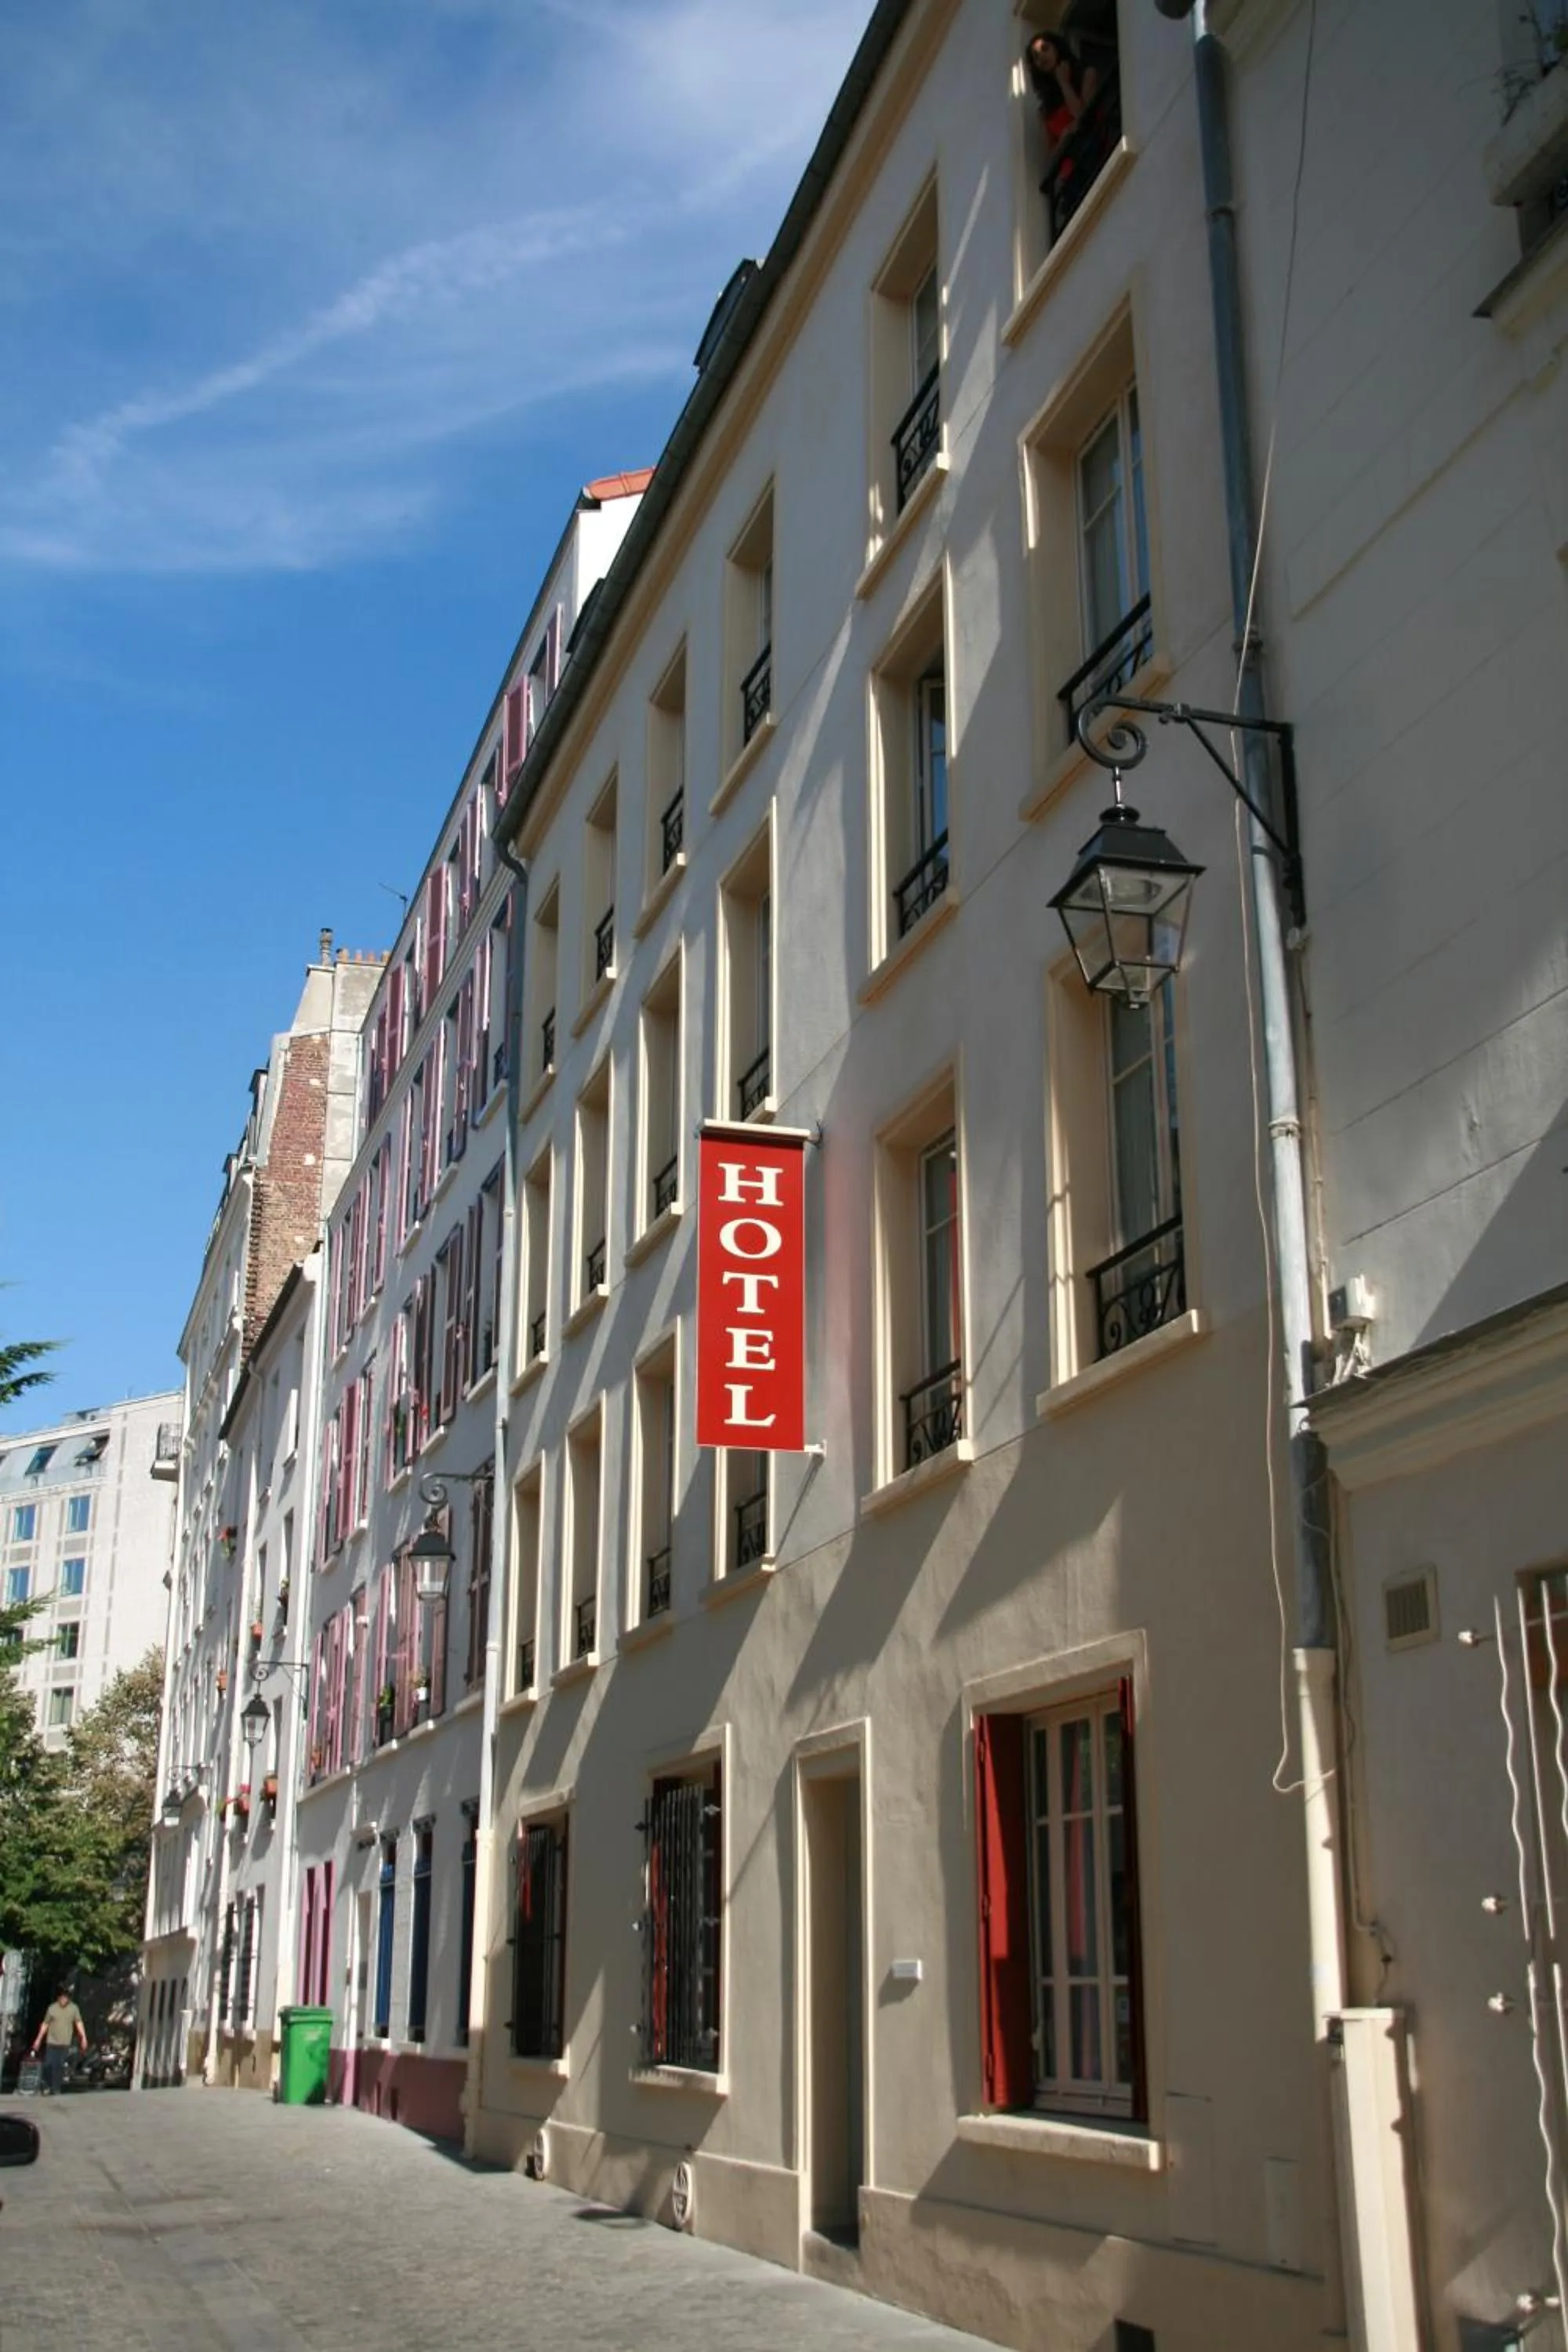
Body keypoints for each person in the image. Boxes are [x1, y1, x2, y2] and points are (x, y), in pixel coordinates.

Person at [31, 1987, 87, 2095]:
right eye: (62, 1998)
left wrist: (83, 2037)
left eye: (66, 1998)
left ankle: (55, 2088)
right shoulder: (52, 2008)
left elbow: (79, 2023)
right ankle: (46, 2084)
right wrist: (38, 2039)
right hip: (52, 2041)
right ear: (58, 1998)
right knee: (48, 2064)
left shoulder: (74, 2009)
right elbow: (45, 2025)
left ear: (69, 1999)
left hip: (65, 2042)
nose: (64, 2000)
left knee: (58, 2065)